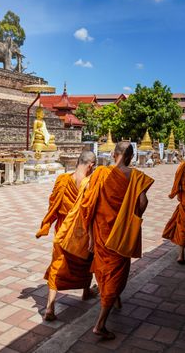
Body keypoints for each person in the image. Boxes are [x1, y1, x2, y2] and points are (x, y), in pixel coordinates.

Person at [80, 142, 154, 339]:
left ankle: (113, 298)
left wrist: (89, 234)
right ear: (130, 157)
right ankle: (100, 324)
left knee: (105, 269)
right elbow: (142, 202)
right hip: (120, 233)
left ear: (114, 155)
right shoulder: (135, 176)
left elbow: (88, 204)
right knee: (117, 272)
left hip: (101, 231)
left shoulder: (101, 173)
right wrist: (130, 218)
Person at [36, 150, 97, 321]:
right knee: (86, 262)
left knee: (57, 264)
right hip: (83, 233)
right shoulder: (91, 183)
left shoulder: (62, 180)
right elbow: (92, 211)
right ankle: (86, 291)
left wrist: (47, 223)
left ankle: (49, 307)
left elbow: (53, 204)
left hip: (62, 231)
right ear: (90, 165)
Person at [162, 160, 185, 263]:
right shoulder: (182, 166)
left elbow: (178, 182)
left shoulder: (182, 165)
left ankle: (181, 255)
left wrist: (176, 193)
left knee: (182, 227)